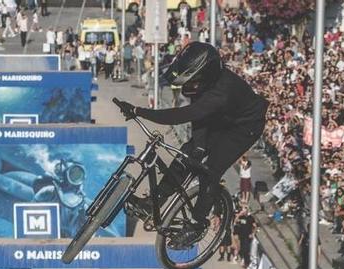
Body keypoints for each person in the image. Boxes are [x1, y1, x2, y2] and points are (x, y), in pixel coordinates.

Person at [115, 42, 268, 230]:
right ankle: (153, 202)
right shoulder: (203, 82)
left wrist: (139, 111)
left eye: (193, 80)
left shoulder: (221, 93)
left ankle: (198, 221)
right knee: (186, 155)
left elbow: (182, 115)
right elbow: (199, 116)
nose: (189, 85)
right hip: (221, 116)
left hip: (245, 127)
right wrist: (198, 146)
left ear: (204, 75)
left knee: (211, 168)